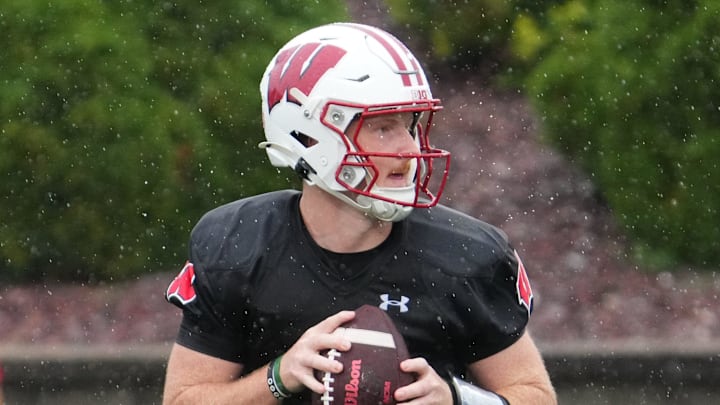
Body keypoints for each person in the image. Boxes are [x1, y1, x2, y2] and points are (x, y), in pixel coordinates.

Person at [162, 22, 556, 405]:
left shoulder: (464, 257)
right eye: (383, 127)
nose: (409, 150)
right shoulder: (239, 248)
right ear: (310, 135)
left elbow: (535, 395)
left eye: (410, 125)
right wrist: (278, 378)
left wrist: (456, 398)